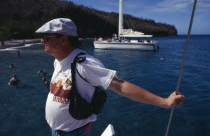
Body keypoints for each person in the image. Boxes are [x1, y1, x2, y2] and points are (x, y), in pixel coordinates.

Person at [35, 18, 185, 136]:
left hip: (74, 133)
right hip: (57, 131)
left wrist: (165, 102)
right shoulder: (58, 61)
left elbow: (120, 85)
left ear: (63, 39)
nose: (42, 40)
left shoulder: (84, 63)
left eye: (46, 37)